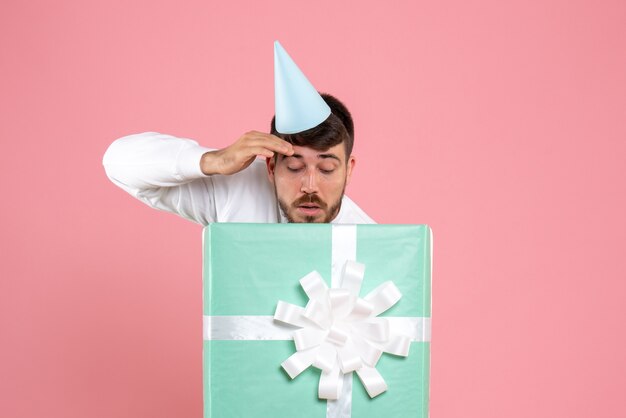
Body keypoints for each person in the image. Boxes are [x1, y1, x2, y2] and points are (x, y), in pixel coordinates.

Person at [103, 93, 375, 225]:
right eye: (294, 166)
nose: (310, 185)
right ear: (271, 166)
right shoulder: (235, 190)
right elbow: (117, 162)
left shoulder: (370, 242)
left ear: (348, 170)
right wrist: (213, 160)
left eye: (327, 168)